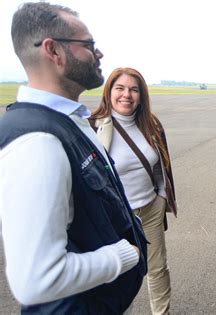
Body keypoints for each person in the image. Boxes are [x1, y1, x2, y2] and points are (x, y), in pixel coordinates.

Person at [0, 3, 147, 314]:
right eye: (88, 45)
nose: (99, 54)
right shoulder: (38, 141)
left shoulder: (67, 119)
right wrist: (122, 256)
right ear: (54, 51)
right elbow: (36, 280)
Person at [89, 67, 177, 315]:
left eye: (133, 89)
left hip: (149, 210)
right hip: (115, 217)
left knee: (158, 268)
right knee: (114, 274)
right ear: (109, 92)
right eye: (120, 88)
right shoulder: (93, 127)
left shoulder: (151, 124)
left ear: (141, 95)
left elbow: (160, 164)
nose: (126, 94)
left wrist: (161, 195)